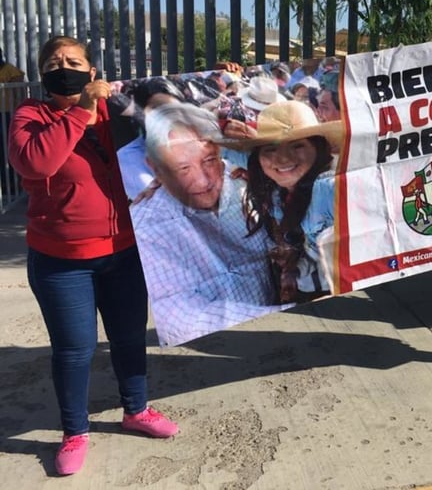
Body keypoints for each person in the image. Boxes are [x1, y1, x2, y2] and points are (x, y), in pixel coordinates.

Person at [7, 36, 178, 476]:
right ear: (42, 74)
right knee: (74, 350)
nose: (64, 67)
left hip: (122, 252)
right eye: (54, 62)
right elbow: (37, 164)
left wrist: (223, 79)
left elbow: (179, 114)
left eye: (74, 61)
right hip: (60, 261)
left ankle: (136, 410)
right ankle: (74, 431)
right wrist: (80, 111)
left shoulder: (115, 110)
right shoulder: (32, 116)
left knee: (128, 338)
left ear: (93, 72)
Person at [130, 101, 282, 346]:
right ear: (155, 168)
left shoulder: (246, 182)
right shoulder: (146, 224)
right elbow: (178, 319)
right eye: (182, 168)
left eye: (209, 160)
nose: (202, 182)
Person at [220, 101, 343, 304]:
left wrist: (298, 274)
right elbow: (213, 146)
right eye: (270, 149)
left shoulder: (330, 188)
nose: (283, 159)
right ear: (258, 158)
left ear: (319, 148)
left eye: (297, 145)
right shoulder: (273, 183)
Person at [0, 46, 26, 195]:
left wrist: (19, 108)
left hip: (7, 114)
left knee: (8, 151)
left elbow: (20, 90)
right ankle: (6, 186)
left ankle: (15, 185)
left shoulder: (10, 70)